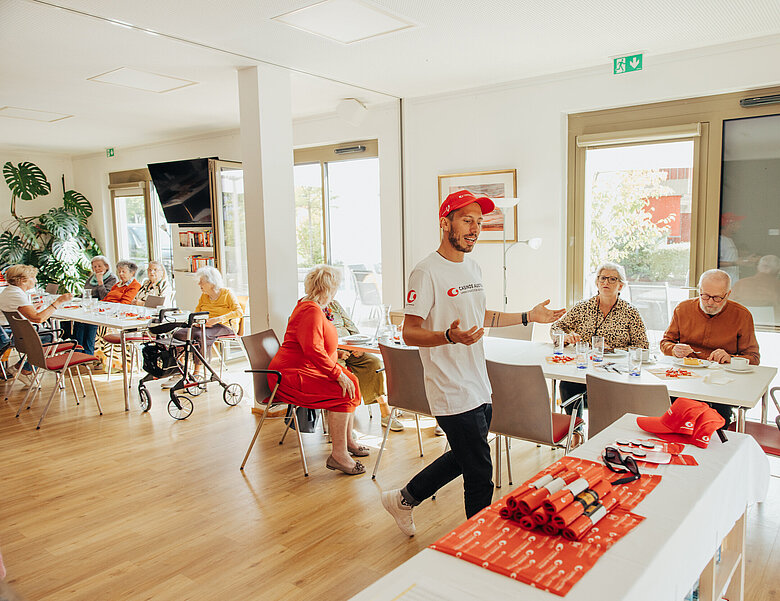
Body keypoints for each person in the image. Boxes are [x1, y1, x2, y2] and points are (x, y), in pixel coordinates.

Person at [381, 189, 564, 536]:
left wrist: (529, 316)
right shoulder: (426, 272)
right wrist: (448, 337)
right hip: (449, 387)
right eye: (467, 220)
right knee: (481, 473)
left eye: (479, 222)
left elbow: (482, 316)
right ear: (444, 222)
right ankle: (479, 545)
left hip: (478, 382)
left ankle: (404, 499)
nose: (475, 229)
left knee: (466, 456)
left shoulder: (474, 266)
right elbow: (409, 332)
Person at [268, 265, 366, 475]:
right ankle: (339, 455)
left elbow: (314, 345)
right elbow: (312, 349)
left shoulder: (311, 305)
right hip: (289, 375)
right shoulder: (310, 310)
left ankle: (348, 441)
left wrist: (336, 359)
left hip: (301, 368)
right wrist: (335, 372)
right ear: (327, 289)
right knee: (342, 391)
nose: (337, 291)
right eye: (336, 287)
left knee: (352, 382)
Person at [661, 268, 760, 426]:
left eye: (717, 298)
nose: (710, 303)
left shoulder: (742, 315)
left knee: (716, 425)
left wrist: (731, 358)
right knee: (672, 418)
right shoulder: (683, 309)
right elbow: (665, 342)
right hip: (686, 380)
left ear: (728, 294)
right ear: (699, 290)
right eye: (705, 296)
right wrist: (674, 349)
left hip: (721, 384)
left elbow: (753, 358)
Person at [550, 261, 648, 416]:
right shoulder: (583, 307)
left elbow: (642, 347)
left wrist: (614, 350)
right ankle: (575, 431)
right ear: (596, 283)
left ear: (621, 286)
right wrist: (566, 337)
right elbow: (556, 327)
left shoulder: (631, 312)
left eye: (612, 279)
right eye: (602, 278)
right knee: (567, 385)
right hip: (584, 369)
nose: (606, 282)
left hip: (616, 371)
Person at [328, 299, 403, 431]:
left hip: (349, 347)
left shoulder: (334, 304)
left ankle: (384, 410)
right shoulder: (312, 309)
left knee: (373, 363)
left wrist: (359, 346)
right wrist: (336, 352)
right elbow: (316, 342)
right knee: (343, 373)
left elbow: (350, 325)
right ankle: (345, 425)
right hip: (331, 353)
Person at [0, 264, 73, 375]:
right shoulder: (16, 294)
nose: (35, 280)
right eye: (33, 277)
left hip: (7, 330)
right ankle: (25, 369)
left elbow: (24, 313)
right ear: (23, 280)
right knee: (49, 336)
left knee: (44, 332)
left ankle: (19, 367)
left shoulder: (10, 291)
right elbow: (38, 318)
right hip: (9, 333)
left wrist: (32, 308)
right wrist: (59, 301)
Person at [170, 266, 242, 377]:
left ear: (211, 282)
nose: (199, 284)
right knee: (178, 333)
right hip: (205, 325)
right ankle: (180, 369)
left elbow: (239, 312)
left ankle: (197, 371)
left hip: (224, 325)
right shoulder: (204, 296)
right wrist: (196, 322)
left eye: (202, 282)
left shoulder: (227, 293)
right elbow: (196, 312)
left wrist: (217, 319)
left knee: (200, 335)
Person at [73, 260, 140, 355]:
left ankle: (89, 353)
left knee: (91, 322)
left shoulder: (134, 285)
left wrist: (106, 307)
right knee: (81, 320)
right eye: (119, 271)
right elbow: (106, 298)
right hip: (107, 310)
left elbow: (124, 303)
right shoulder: (118, 284)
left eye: (123, 271)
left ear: (132, 273)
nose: (120, 274)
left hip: (117, 314)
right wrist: (97, 306)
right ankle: (78, 353)